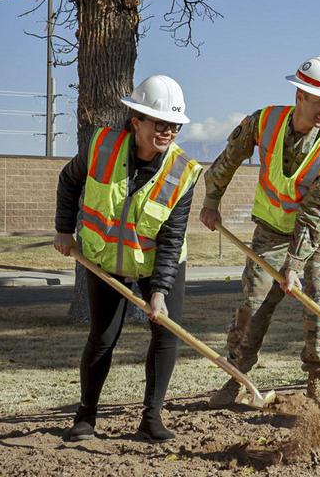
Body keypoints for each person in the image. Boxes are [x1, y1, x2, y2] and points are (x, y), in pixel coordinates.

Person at [54, 75, 202, 442]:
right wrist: (63, 229)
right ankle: (85, 417)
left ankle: (151, 418)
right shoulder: (101, 146)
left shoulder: (183, 172)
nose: (168, 132)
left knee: (165, 333)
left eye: (174, 125)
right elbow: (69, 179)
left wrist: (159, 292)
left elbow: (172, 236)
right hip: (105, 258)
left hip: (158, 262)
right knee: (102, 337)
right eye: (160, 123)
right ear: (136, 120)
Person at [203, 56, 320, 415]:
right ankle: (238, 376)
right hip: (271, 230)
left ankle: (317, 381)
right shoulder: (264, 121)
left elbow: (315, 215)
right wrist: (212, 199)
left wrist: (294, 265)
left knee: (318, 299)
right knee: (254, 305)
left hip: (319, 235)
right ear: (300, 94)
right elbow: (228, 158)